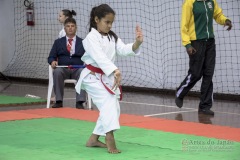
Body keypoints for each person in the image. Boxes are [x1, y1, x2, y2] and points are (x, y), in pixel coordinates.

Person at [75, 4, 143, 153]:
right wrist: (115, 70)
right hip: (92, 77)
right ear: (96, 19)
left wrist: (137, 42)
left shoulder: (112, 36)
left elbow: (123, 50)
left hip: (106, 76)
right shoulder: (90, 38)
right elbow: (99, 58)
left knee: (113, 107)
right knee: (109, 103)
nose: (110, 25)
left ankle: (93, 139)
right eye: (107, 22)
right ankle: (109, 137)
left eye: (111, 22)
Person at [175, 0, 232, 115]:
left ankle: (204, 106)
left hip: (210, 42)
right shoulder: (190, 3)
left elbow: (217, 15)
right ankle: (180, 93)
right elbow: (184, 25)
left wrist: (225, 20)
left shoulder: (211, 1)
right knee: (196, 73)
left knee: (208, 74)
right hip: (196, 42)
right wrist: (187, 44)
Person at [48, 17, 86, 109]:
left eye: (72, 26)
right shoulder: (58, 42)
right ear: (64, 28)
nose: (70, 28)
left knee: (83, 72)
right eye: (68, 26)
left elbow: (89, 57)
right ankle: (58, 101)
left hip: (77, 69)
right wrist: (52, 61)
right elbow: (51, 56)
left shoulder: (83, 42)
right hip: (63, 68)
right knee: (57, 72)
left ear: (76, 28)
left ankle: (80, 102)